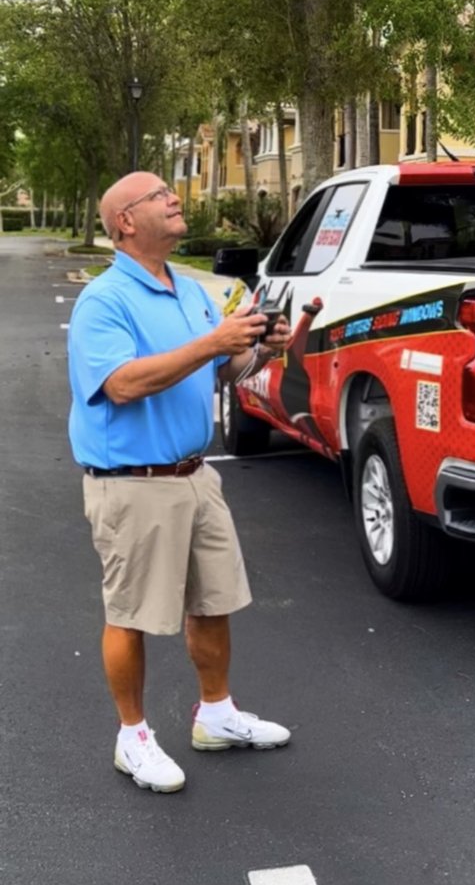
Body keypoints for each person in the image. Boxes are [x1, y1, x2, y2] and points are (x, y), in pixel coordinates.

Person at [67, 171, 292, 794]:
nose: (173, 198)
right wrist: (215, 340)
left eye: (171, 190)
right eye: (156, 195)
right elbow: (122, 384)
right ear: (125, 224)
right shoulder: (104, 299)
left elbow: (223, 371)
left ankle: (215, 714)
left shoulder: (190, 291)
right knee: (130, 614)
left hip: (196, 476)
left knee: (213, 600)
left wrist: (263, 346)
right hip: (131, 483)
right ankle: (132, 738)